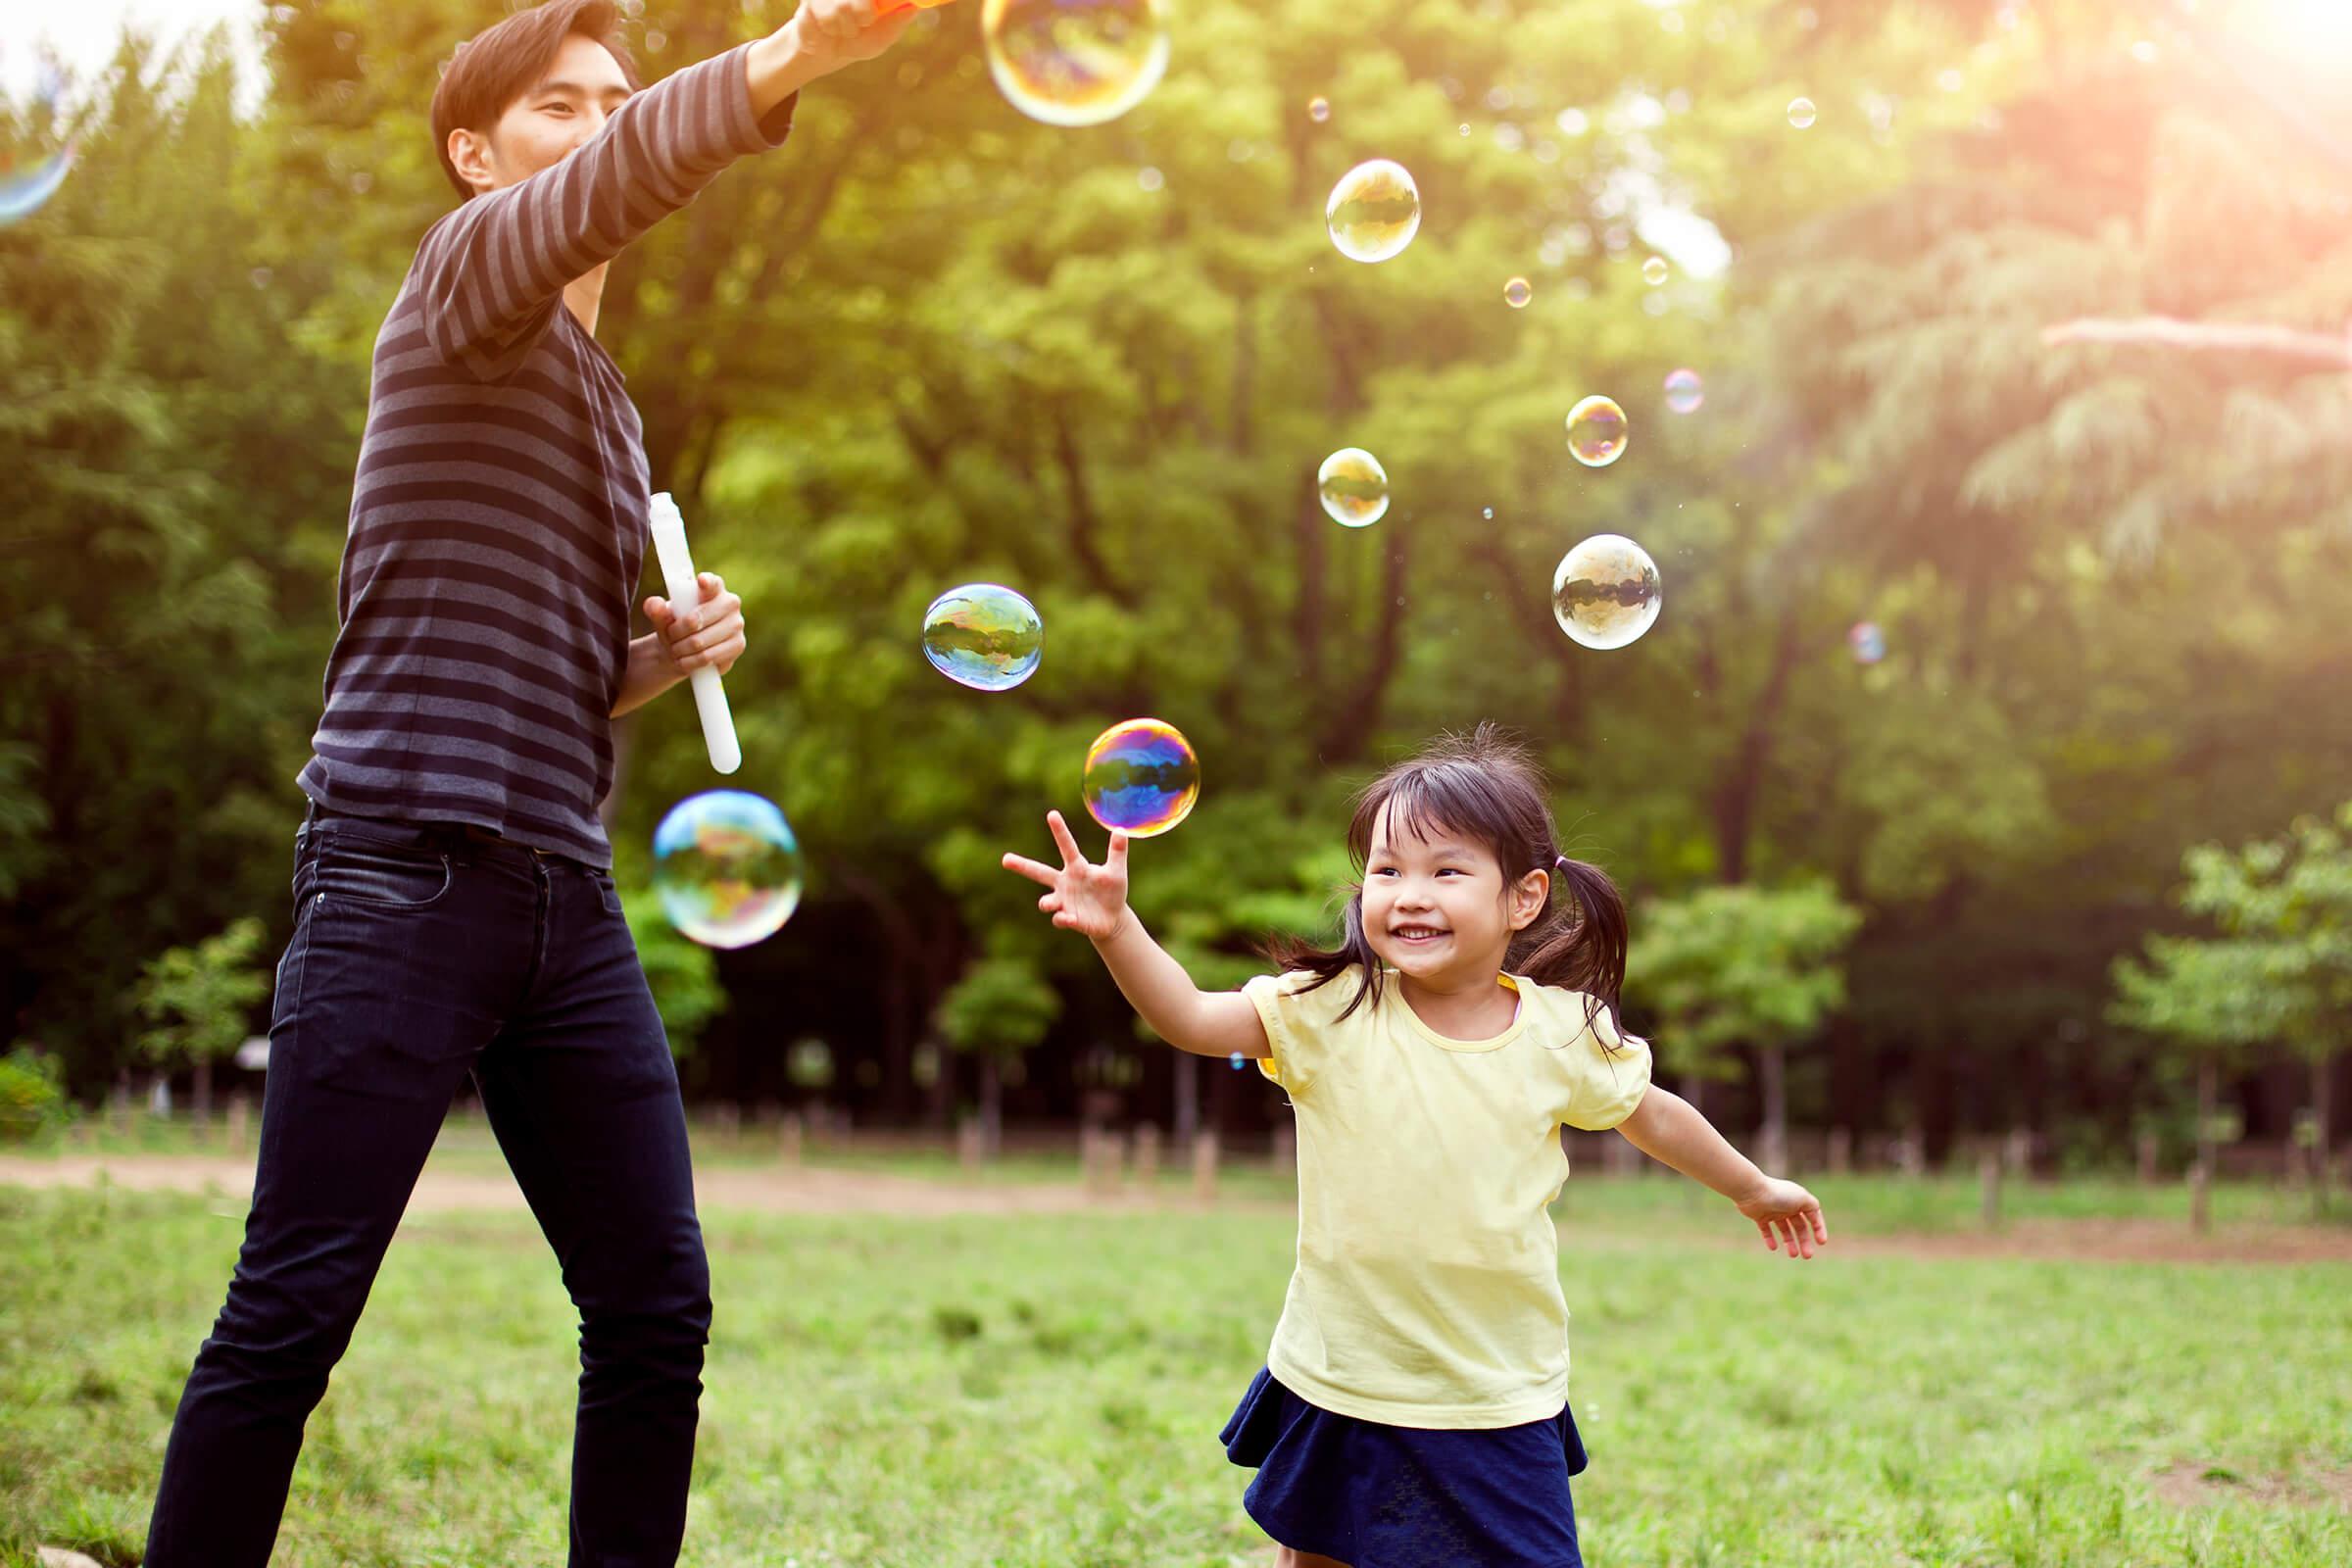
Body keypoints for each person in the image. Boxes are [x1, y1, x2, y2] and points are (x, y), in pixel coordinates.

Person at [141, 2, 911, 1562]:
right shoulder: (464, 279)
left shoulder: (608, 404)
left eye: (610, 100)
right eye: (560, 107)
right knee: (290, 1316)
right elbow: (619, 179)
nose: (598, 124)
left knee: (653, 1310)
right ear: (475, 154)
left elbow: (557, 677)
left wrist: (656, 659)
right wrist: (788, 59)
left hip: (563, 891)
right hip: (402, 871)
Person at [1003, 723, 1831, 1568]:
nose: (1408, 894)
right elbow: (1187, 1017)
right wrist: (1116, 930)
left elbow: (1652, 1113)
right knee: (1319, 1557)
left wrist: (1751, 1185)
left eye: (1446, 871)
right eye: (1387, 871)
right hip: (1345, 1372)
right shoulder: (1330, 1010)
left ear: (1524, 898)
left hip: (1493, 1389)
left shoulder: (1558, 1031)